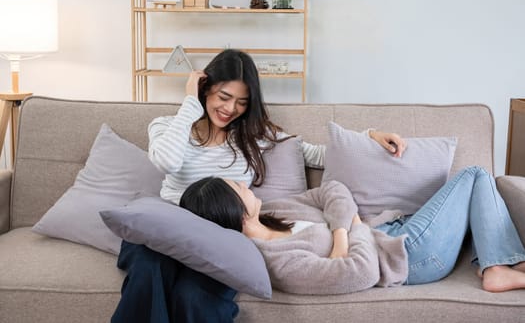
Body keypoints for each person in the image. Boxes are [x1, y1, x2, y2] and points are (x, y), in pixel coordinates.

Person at [111, 48, 408, 322]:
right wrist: (190, 103)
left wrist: (369, 136)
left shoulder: (253, 136)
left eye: (241, 102)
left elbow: (319, 155)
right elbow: (166, 162)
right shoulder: (168, 126)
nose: (230, 109)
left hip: (220, 236)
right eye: (223, 97)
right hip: (167, 225)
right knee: (150, 268)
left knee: (195, 296)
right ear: (205, 90)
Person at [178, 168, 525, 295]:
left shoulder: (271, 212)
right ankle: (496, 268)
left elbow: (331, 189)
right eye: (236, 186)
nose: (244, 182)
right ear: (231, 209)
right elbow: (360, 272)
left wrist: (343, 232)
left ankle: (494, 261)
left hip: (387, 231)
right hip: (409, 255)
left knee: (478, 185)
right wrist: (353, 225)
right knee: (476, 174)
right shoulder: (276, 261)